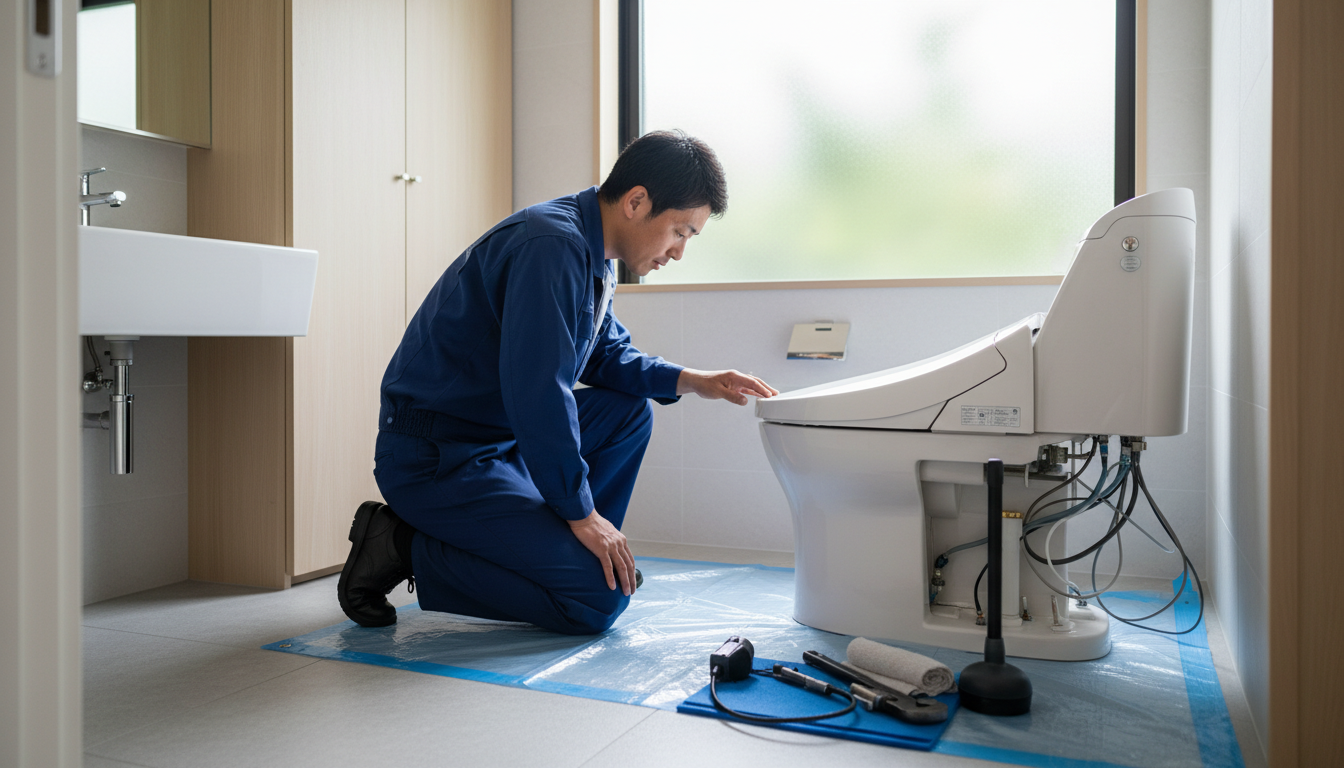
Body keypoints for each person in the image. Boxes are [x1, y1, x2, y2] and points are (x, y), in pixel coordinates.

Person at [337, 130, 778, 635]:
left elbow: (605, 354)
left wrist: (694, 380)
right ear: (636, 202)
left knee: (628, 411)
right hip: (436, 458)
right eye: (680, 232)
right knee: (597, 602)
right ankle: (398, 544)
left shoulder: (591, 253)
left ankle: (583, 552)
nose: (678, 252)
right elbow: (539, 393)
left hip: (496, 444)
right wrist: (580, 512)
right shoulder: (552, 246)